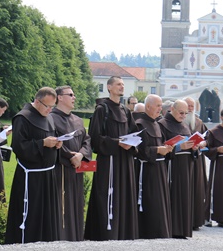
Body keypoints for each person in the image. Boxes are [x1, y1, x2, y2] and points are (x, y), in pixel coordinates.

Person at [5, 87, 63, 244]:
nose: (50, 110)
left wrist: (57, 144)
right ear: (37, 101)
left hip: (48, 176)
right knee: (32, 215)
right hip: (31, 177)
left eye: (52, 107)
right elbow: (18, 146)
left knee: (47, 215)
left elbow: (52, 136)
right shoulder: (22, 118)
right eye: (47, 106)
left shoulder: (49, 117)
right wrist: (42, 143)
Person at [84, 76, 138, 241]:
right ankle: (105, 233)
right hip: (110, 161)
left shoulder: (126, 111)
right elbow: (95, 138)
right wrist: (117, 143)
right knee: (107, 194)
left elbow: (135, 134)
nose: (122, 87)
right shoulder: (102, 110)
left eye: (123, 84)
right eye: (118, 84)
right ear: (109, 87)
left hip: (125, 161)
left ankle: (123, 232)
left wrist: (131, 144)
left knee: (124, 194)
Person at [50, 85, 92, 241]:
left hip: (77, 170)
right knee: (62, 205)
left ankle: (76, 237)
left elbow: (87, 141)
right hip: (60, 169)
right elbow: (54, 142)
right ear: (60, 97)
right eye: (70, 95)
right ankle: (62, 237)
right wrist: (70, 157)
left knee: (76, 204)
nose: (74, 97)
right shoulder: (50, 118)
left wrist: (80, 155)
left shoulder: (78, 120)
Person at [159, 99, 204, 238]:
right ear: (172, 109)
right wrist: (179, 147)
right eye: (181, 113)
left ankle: (184, 229)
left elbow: (191, 144)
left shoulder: (185, 125)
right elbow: (161, 147)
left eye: (186, 113)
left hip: (187, 167)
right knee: (174, 196)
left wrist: (194, 148)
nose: (184, 116)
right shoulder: (162, 124)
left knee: (185, 196)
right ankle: (173, 229)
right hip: (173, 166)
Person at [133, 94, 172, 239]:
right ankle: (148, 231)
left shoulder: (157, 124)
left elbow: (161, 144)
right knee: (151, 201)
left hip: (160, 169)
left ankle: (160, 231)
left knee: (160, 201)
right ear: (148, 106)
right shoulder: (139, 124)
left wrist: (167, 148)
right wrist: (158, 150)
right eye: (158, 106)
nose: (160, 109)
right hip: (146, 171)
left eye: (161, 106)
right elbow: (139, 150)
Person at [185, 96, 209, 230]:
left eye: (192, 106)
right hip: (183, 160)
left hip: (197, 161)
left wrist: (203, 143)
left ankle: (196, 221)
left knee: (197, 189)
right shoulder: (178, 122)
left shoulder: (199, 122)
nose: (190, 108)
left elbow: (207, 139)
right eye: (187, 105)